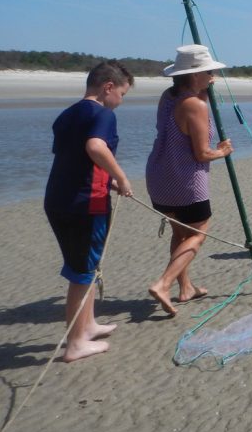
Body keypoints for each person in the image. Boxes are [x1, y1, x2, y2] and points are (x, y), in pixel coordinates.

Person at [44, 60, 134, 361]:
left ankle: (89, 324)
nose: (120, 101)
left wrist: (105, 179)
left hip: (58, 199)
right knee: (82, 271)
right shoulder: (102, 114)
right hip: (84, 205)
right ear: (107, 87)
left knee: (88, 264)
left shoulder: (67, 115)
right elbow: (95, 147)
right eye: (121, 94)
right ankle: (76, 343)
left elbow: (73, 159)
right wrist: (120, 177)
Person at [146, 45, 234, 316]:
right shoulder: (195, 105)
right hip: (185, 181)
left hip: (159, 175)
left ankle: (186, 288)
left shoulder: (168, 96)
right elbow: (202, 153)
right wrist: (223, 151)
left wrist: (205, 88)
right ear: (194, 75)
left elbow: (189, 111)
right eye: (208, 72)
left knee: (180, 233)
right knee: (198, 233)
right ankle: (164, 283)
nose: (212, 76)